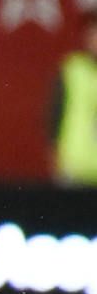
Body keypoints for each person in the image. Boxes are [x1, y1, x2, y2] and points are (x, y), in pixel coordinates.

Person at [50, 10, 97, 186]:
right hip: (75, 167)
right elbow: (54, 112)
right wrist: (54, 153)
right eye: (93, 33)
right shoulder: (72, 68)